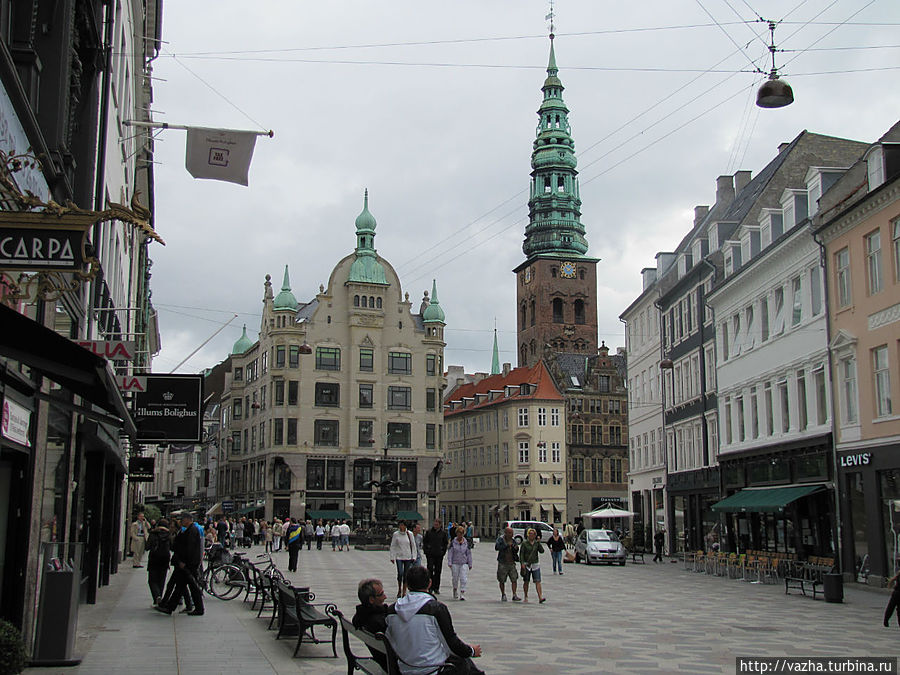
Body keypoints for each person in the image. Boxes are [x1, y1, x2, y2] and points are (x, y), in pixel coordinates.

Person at [386, 565, 484, 675]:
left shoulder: (392, 611)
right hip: (432, 668)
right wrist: (471, 651)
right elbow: (451, 643)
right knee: (464, 662)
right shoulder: (436, 609)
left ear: (407, 585)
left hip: (405, 668)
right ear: (429, 583)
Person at [155, 513, 204, 616]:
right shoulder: (189, 530)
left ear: (187, 519)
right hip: (188, 563)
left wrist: (184, 562)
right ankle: (170, 607)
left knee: (191, 586)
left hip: (188, 564)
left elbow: (189, 549)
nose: (181, 522)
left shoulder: (192, 530)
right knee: (181, 586)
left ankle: (198, 608)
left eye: (182, 520)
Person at [352, 578, 389, 669]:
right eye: (381, 594)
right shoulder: (378, 621)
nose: (385, 597)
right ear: (371, 599)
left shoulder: (361, 617)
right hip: (390, 664)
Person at [146, 518, 171, 606]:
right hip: (165, 558)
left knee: (152, 580)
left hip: (154, 557)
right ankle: (159, 596)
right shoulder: (168, 534)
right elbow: (172, 546)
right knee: (162, 579)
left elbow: (147, 546)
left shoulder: (153, 534)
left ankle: (156, 596)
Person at [389, 521, 417, 597]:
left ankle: (404, 590)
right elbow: (393, 545)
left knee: (406, 574)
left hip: (407, 556)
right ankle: (399, 589)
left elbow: (413, 545)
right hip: (399, 557)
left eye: (403, 525)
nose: (401, 527)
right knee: (400, 573)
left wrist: (414, 556)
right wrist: (392, 556)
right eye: (400, 525)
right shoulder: (396, 534)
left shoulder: (409, 534)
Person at [422, 519, 449, 595]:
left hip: (439, 554)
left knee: (438, 571)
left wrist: (442, 551)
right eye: (435, 524)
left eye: (437, 524)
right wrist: (426, 551)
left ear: (440, 525)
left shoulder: (443, 533)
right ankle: (430, 587)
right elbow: (425, 541)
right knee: (430, 570)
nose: (435, 525)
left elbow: (445, 543)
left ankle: (436, 587)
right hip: (430, 554)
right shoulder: (429, 532)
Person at [519, 528, 546, 603]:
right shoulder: (524, 543)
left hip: (535, 564)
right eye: (530, 534)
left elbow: (542, 551)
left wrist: (539, 542)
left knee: (538, 581)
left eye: (533, 534)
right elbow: (521, 554)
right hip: (527, 564)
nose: (531, 535)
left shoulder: (536, 544)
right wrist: (522, 564)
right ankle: (526, 596)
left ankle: (540, 597)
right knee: (526, 581)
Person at [495, 526, 521, 602]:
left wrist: (515, 548)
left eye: (512, 533)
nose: (511, 534)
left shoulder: (513, 540)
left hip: (511, 562)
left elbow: (516, 549)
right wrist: (506, 546)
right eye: (509, 533)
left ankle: (514, 594)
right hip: (503, 562)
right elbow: (497, 547)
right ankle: (503, 594)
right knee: (502, 579)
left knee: (514, 579)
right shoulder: (500, 539)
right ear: (505, 533)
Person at [447, 526, 473, 601]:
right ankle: (455, 589)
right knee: (455, 577)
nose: (460, 535)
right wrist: (450, 562)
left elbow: (468, 553)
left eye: (461, 533)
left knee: (463, 578)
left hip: (463, 562)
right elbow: (450, 553)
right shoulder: (453, 542)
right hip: (455, 562)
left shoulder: (466, 543)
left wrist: (470, 563)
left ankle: (462, 592)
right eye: (459, 533)